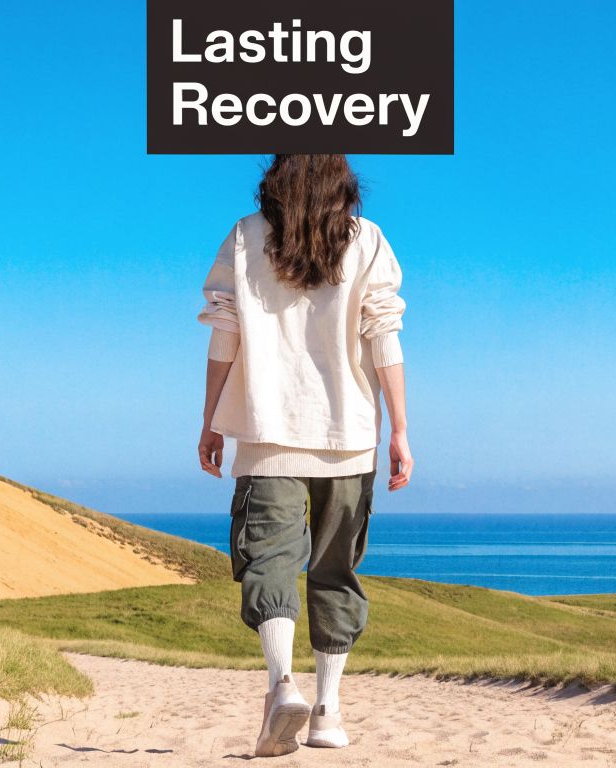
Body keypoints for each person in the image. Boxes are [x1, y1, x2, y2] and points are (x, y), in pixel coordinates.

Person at [196, 154, 412, 757]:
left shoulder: (245, 236)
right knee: (335, 570)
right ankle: (327, 712)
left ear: (278, 175)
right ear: (342, 178)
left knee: (269, 558)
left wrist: (211, 420)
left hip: (266, 434)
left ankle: (281, 685)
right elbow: (384, 336)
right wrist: (399, 430)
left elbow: (224, 333)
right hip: (349, 436)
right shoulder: (366, 241)